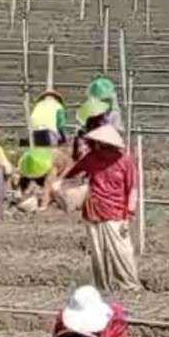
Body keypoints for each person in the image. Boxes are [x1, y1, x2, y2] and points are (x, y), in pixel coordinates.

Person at [62, 124, 141, 291]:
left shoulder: (125, 160)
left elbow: (132, 188)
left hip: (116, 211)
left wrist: (130, 212)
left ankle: (129, 283)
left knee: (121, 250)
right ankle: (103, 285)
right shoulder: (92, 158)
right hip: (94, 209)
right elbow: (72, 172)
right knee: (98, 251)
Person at [14, 147, 71, 212]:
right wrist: (18, 192)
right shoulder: (29, 160)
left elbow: (48, 185)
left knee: (52, 186)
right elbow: (24, 175)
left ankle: (55, 199)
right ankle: (22, 193)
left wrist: (43, 205)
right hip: (46, 161)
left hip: (59, 166)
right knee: (26, 180)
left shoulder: (55, 163)